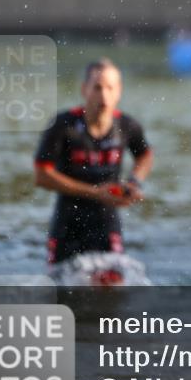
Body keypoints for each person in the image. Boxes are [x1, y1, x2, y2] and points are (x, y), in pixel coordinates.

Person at [34, 59, 153, 267]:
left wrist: (134, 182)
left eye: (110, 88)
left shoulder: (127, 126)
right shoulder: (63, 125)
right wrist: (96, 192)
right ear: (84, 90)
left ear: (119, 91)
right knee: (62, 289)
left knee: (113, 291)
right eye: (97, 88)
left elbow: (145, 155)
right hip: (67, 223)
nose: (104, 95)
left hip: (107, 222)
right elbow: (42, 176)